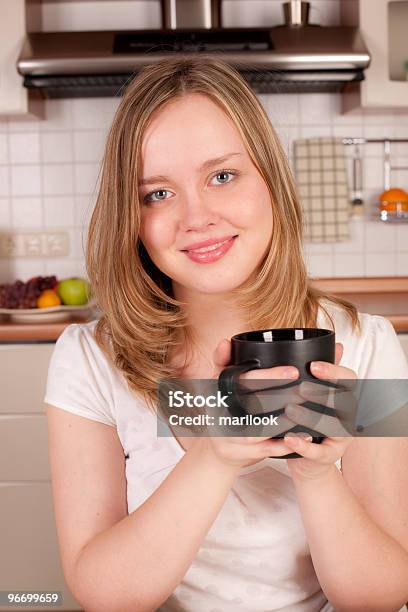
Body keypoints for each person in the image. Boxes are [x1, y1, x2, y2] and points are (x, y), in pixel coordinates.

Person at [45, 56, 408, 612]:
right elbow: (104, 595)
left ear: (270, 180)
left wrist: (317, 474)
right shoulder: (90, 360)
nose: (197, 216)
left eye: (222, 176)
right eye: (157, 194)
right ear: (131, 216)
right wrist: (212, 455)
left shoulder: (366, 344)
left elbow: (380, 596)